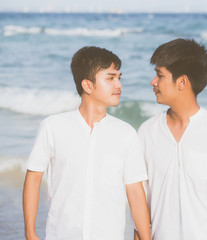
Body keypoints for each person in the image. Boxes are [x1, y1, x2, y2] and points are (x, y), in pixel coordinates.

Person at [23, 46, 151, 240]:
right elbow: (33, 178)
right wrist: (30, 233)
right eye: (110, 78)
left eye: (119, 77)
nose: (119, 85)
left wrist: (146, 237)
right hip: (61, 235)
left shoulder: (125, 134)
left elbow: (135, 192)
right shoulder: (53, 127)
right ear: (87, 85)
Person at [135, 38, 207, 240]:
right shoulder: (146, 133)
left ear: (182, 82)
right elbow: (141, 209)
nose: (153, 82)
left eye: (159, 76)